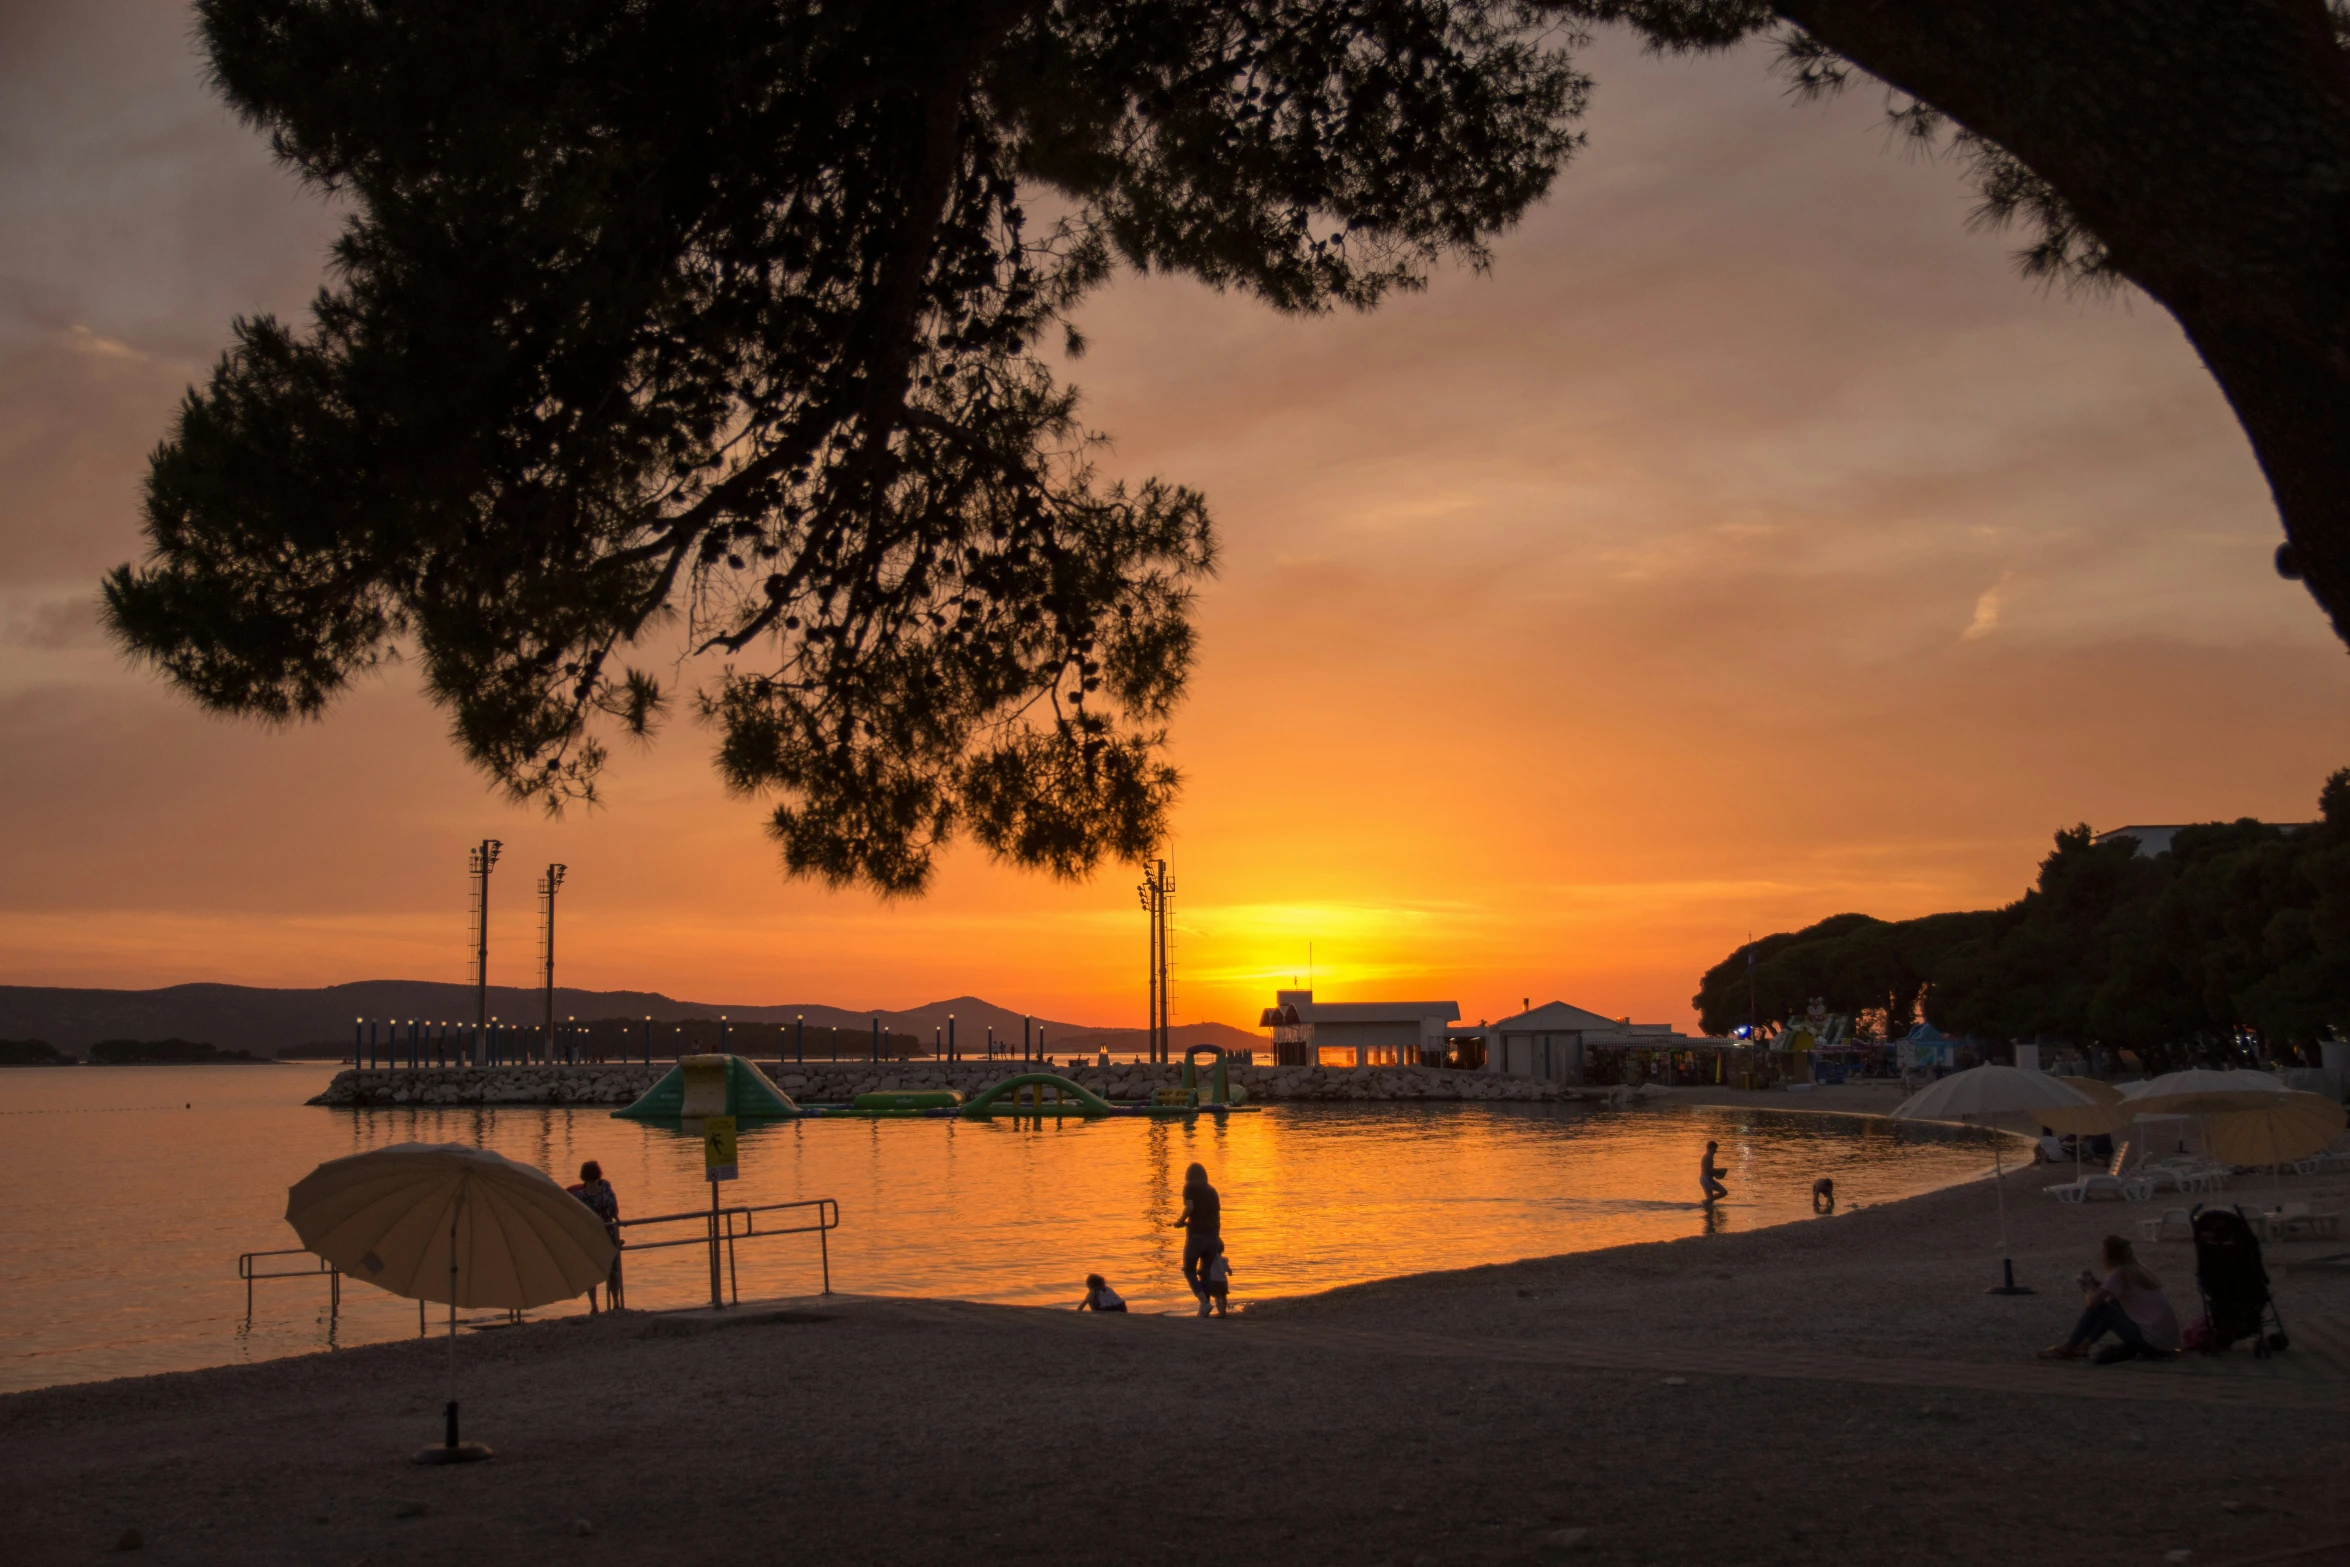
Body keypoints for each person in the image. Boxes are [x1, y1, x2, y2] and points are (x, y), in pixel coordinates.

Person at [2041, 1234, 2182, 1364]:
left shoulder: (2121, 1272)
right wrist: (2097, 1284)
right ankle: (2084, 1347)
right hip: (2165, 1344)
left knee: (2102, 1308)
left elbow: (2093, 1304)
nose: (2101, 1257)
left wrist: (2088, 1288)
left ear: (2110, 1256)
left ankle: (2067, 1347)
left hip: (2151, 1344)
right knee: (2114, 1303)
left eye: (2103, 1253)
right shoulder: (2138, 1268)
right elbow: (2119, 1293)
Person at [568, 1160, 623, 1313]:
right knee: (613, 1271)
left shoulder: (578, 1196)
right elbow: (614, 1212)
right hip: (609, 1234)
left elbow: (576, 1217)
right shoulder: (606, 1188)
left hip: (590, 1237)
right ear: (599, 1174)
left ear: (582, 1177)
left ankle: (594, 1306)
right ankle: (616, 1302)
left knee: (591, 1272)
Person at [1174, 1161, 1221, 1317]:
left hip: (1196, 1236)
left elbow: (1189, 1207)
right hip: (1213, 1236)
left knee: (1189, 1270)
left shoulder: (1189, 1188)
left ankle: (1204, 1303)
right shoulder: (1213, 1191)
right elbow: (1216, 1215)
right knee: (1205, 1271)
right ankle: (1205, 1308)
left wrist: (1181, 1221)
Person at [1204, 1244, 1233, 1317]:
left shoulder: (1211, 1260)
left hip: (1214, 1281)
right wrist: (1229, 1273)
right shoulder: (1224, 1260)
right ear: (1222, 1250)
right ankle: (1223, 1311)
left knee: (1217, 1297)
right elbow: (1229, 1270)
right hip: (1223, 1281)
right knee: (1223, 1297)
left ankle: (1220, 1312)